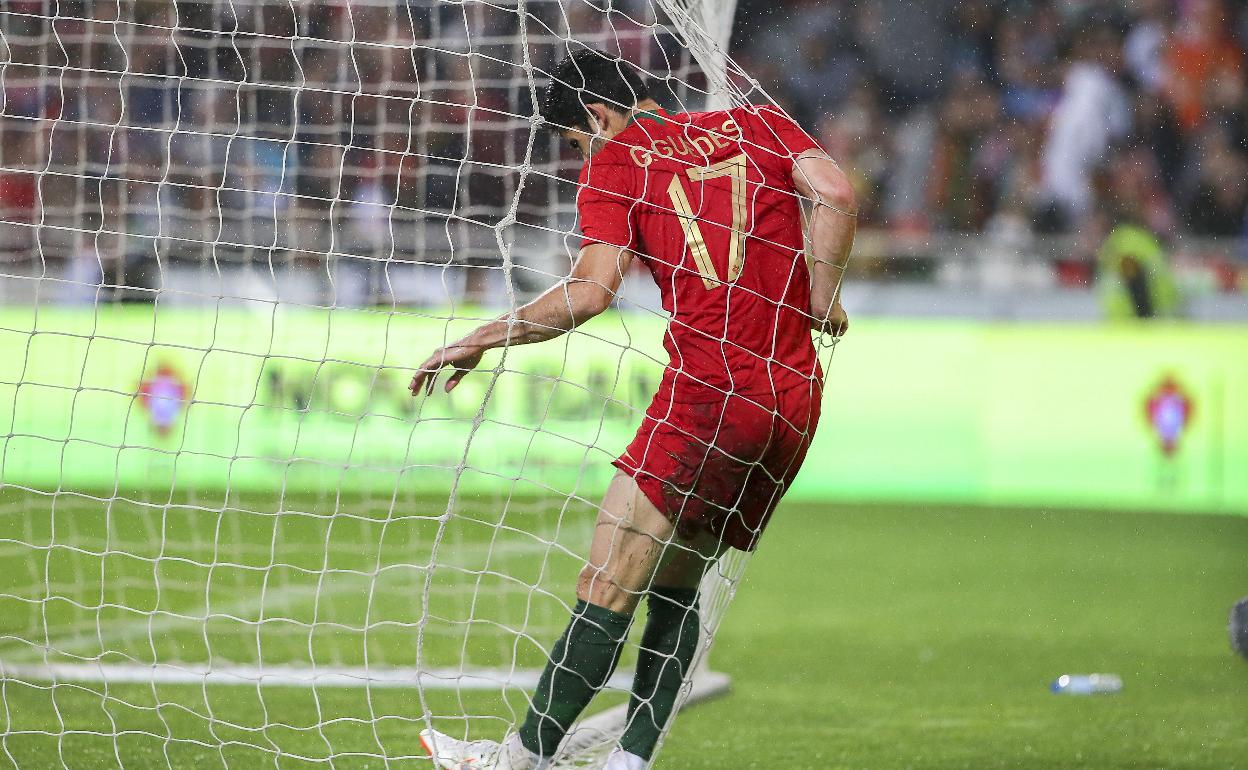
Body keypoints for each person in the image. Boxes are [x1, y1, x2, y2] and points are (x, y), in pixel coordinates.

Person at [410, 48, 856, 770]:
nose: (579, 154)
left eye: (574, 140)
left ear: (597, 116)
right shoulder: (758, 125)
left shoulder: (618, 161)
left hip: (711, 390)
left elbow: (589, 294)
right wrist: (823, 297)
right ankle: (630, 762)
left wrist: (482, 338)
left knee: (610, 575)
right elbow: (834, 192)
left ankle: (516, 760)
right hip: (793, 399)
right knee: (676, 580)